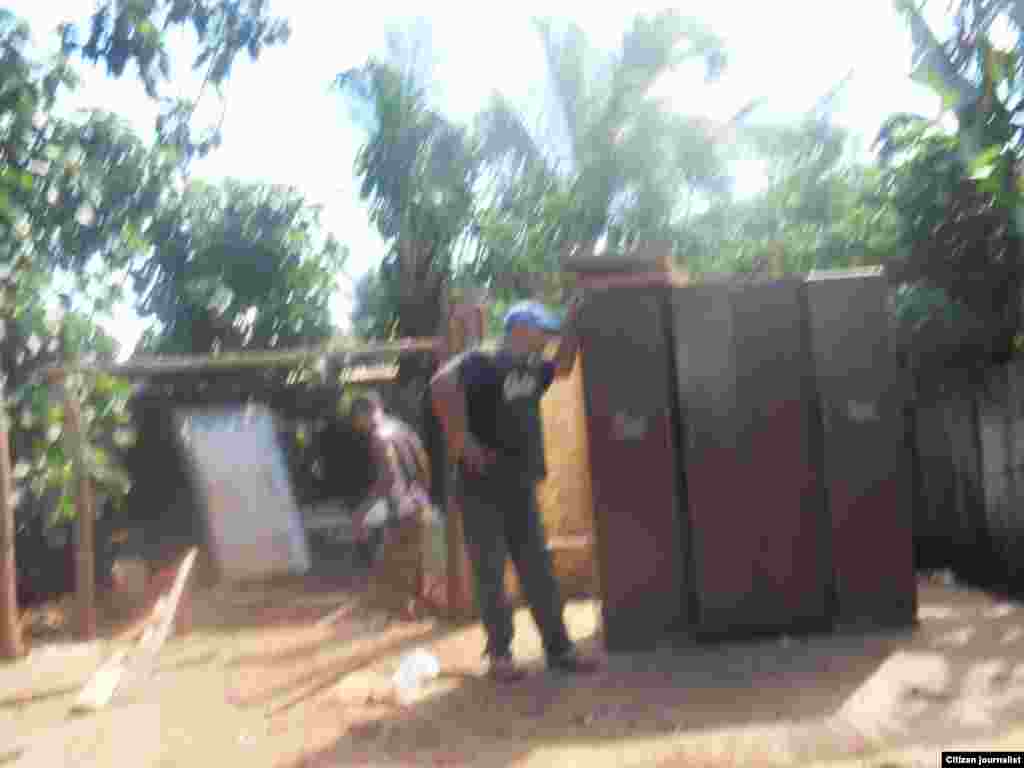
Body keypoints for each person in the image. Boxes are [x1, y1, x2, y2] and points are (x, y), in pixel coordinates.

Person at [429, 297, 599, 682]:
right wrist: (463, 443)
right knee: (490, 570)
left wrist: (573, 319)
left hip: (518, 483)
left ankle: (559, 650)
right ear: (522, 328)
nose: (546, 341)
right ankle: (501, 656)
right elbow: (441, 384)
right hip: (480, 486)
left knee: (537, 567)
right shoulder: (484, 359)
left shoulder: (531, 368)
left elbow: (566, 365)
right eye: (544, 332)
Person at [350, 391, 433, 614]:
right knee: (415, 566)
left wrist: (364, 510)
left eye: (355, 419)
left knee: (391, 576)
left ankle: (401, 618)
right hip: (419, 503)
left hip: (402, 510)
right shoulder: (402, 429)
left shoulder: (378, 437)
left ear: (362, 414)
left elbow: (388, 478)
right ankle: (417, 614)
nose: (357, 426)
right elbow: (424, 464)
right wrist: (422, 495)